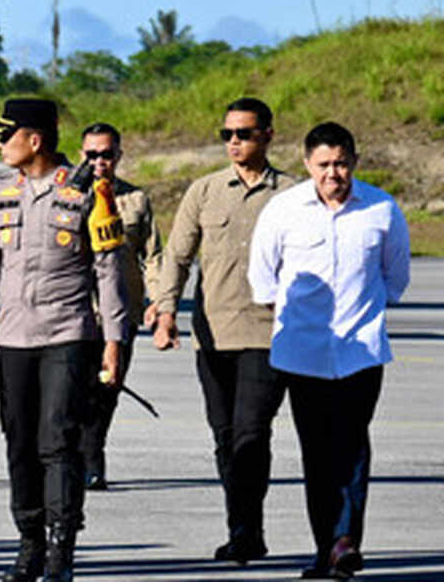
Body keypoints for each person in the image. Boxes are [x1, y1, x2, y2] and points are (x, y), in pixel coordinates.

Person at [0, 99, 129, 582]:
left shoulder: (88, 193)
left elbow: (108, 272)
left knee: (58, 440)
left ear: (35, 139)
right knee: (19, 442)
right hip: (13, 337)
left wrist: (113, 339)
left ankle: (59, 547)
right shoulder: (1, 191)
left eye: (6, 134)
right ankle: (28, 539)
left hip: (67, 334)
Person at [248, 122, 409, 580]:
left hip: (360, 353)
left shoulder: (381, 209)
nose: (332, 173)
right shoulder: (283, 211)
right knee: (317, 454)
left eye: (340, 163)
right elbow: (263, 282)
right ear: (307, 164)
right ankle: (327, 546)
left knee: (353, 448)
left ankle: (345, 541)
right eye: (323, 165)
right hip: (303, 355)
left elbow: (394, 279)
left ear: (355, 162)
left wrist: (364, 314)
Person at [148, 97, 296, 564]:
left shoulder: (294, 194)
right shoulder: (205, 191)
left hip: (269, 335)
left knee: (252, 434)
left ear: (268, 136)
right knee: (225, 436)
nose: (234, 142)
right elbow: (177, 255)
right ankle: (241, 526)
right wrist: (166, 310)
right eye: (227, 134)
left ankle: (248, 529)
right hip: (213, 336)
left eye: (245, 134)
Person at [76, 123, 162, 491]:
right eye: (91, 154)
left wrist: (158, 300)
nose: (98, 162)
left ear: (119, 156)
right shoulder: (66, 197)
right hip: (75, 313)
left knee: (108, 387)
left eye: (106, 154)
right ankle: (79, 458)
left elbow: (153, 255)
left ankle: (94, 455)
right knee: (76, 390)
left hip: (120, 314)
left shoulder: (136, 200)